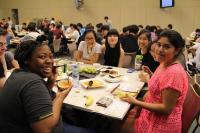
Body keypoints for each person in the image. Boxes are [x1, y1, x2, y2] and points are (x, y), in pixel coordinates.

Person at [122, 29, 188, 133]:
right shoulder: (164, 63)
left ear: (176, 50)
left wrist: (136, 102)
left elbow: (166, 109)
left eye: (167, 47)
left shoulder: (174, 73)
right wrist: (151, 75)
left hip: (160, 125)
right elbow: (161, 84)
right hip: (148, 115)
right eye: (159, 44)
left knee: (114, 124)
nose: (160, 49)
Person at [0, 40, 72, 133]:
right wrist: (60, 97)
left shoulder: (17, 74)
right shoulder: (33, 83)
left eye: (51, 56)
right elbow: (44, 129)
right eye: (42, 57)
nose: (49, 61)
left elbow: (34, 103)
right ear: (26, 60)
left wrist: (50, 82)